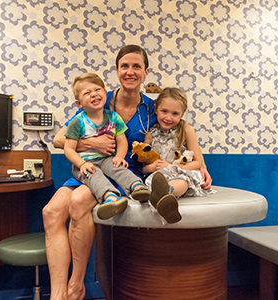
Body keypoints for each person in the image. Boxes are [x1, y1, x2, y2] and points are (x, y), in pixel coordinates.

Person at [42, 44, 212, 300]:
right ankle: (58, 294)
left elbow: (182, 127)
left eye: (136, 67)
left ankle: (76, 286)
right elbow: (59, 139)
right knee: (51, 212)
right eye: (124, 66)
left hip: (123, 173)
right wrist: (91, 143)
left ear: (145, 72)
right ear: (117, 70)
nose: (130, 71)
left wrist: (202, 165)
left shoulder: (152, 108)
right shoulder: (99, 98)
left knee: (78, 203)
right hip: (87, 166)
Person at [64, 73, 151, 220]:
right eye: (87, 93)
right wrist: (82, 164)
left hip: (106, 158)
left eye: (97, 90)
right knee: (94, 175)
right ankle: (110, 198)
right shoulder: (78, 122)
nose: (93, 95)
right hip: (85, 163)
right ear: (79, 103)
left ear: (105, 93)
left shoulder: (113, 117)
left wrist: (119, 157)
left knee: (118, 167)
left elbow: (122, 141)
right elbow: (68, 149)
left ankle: (137, 187)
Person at [142, 87, 214, 224]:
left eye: (175, 113)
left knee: (182, 181)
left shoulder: (187, 130)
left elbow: (197, 163)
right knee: (155, 181)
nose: (168, 117)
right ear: (156, 108)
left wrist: (173, 166)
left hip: (181, 173)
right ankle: (164, 200)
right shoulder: (150, 134)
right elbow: (143, 168)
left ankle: (166, 192)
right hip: (158, 176)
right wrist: (151, 167)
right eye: (164, 111)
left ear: (182, 114)